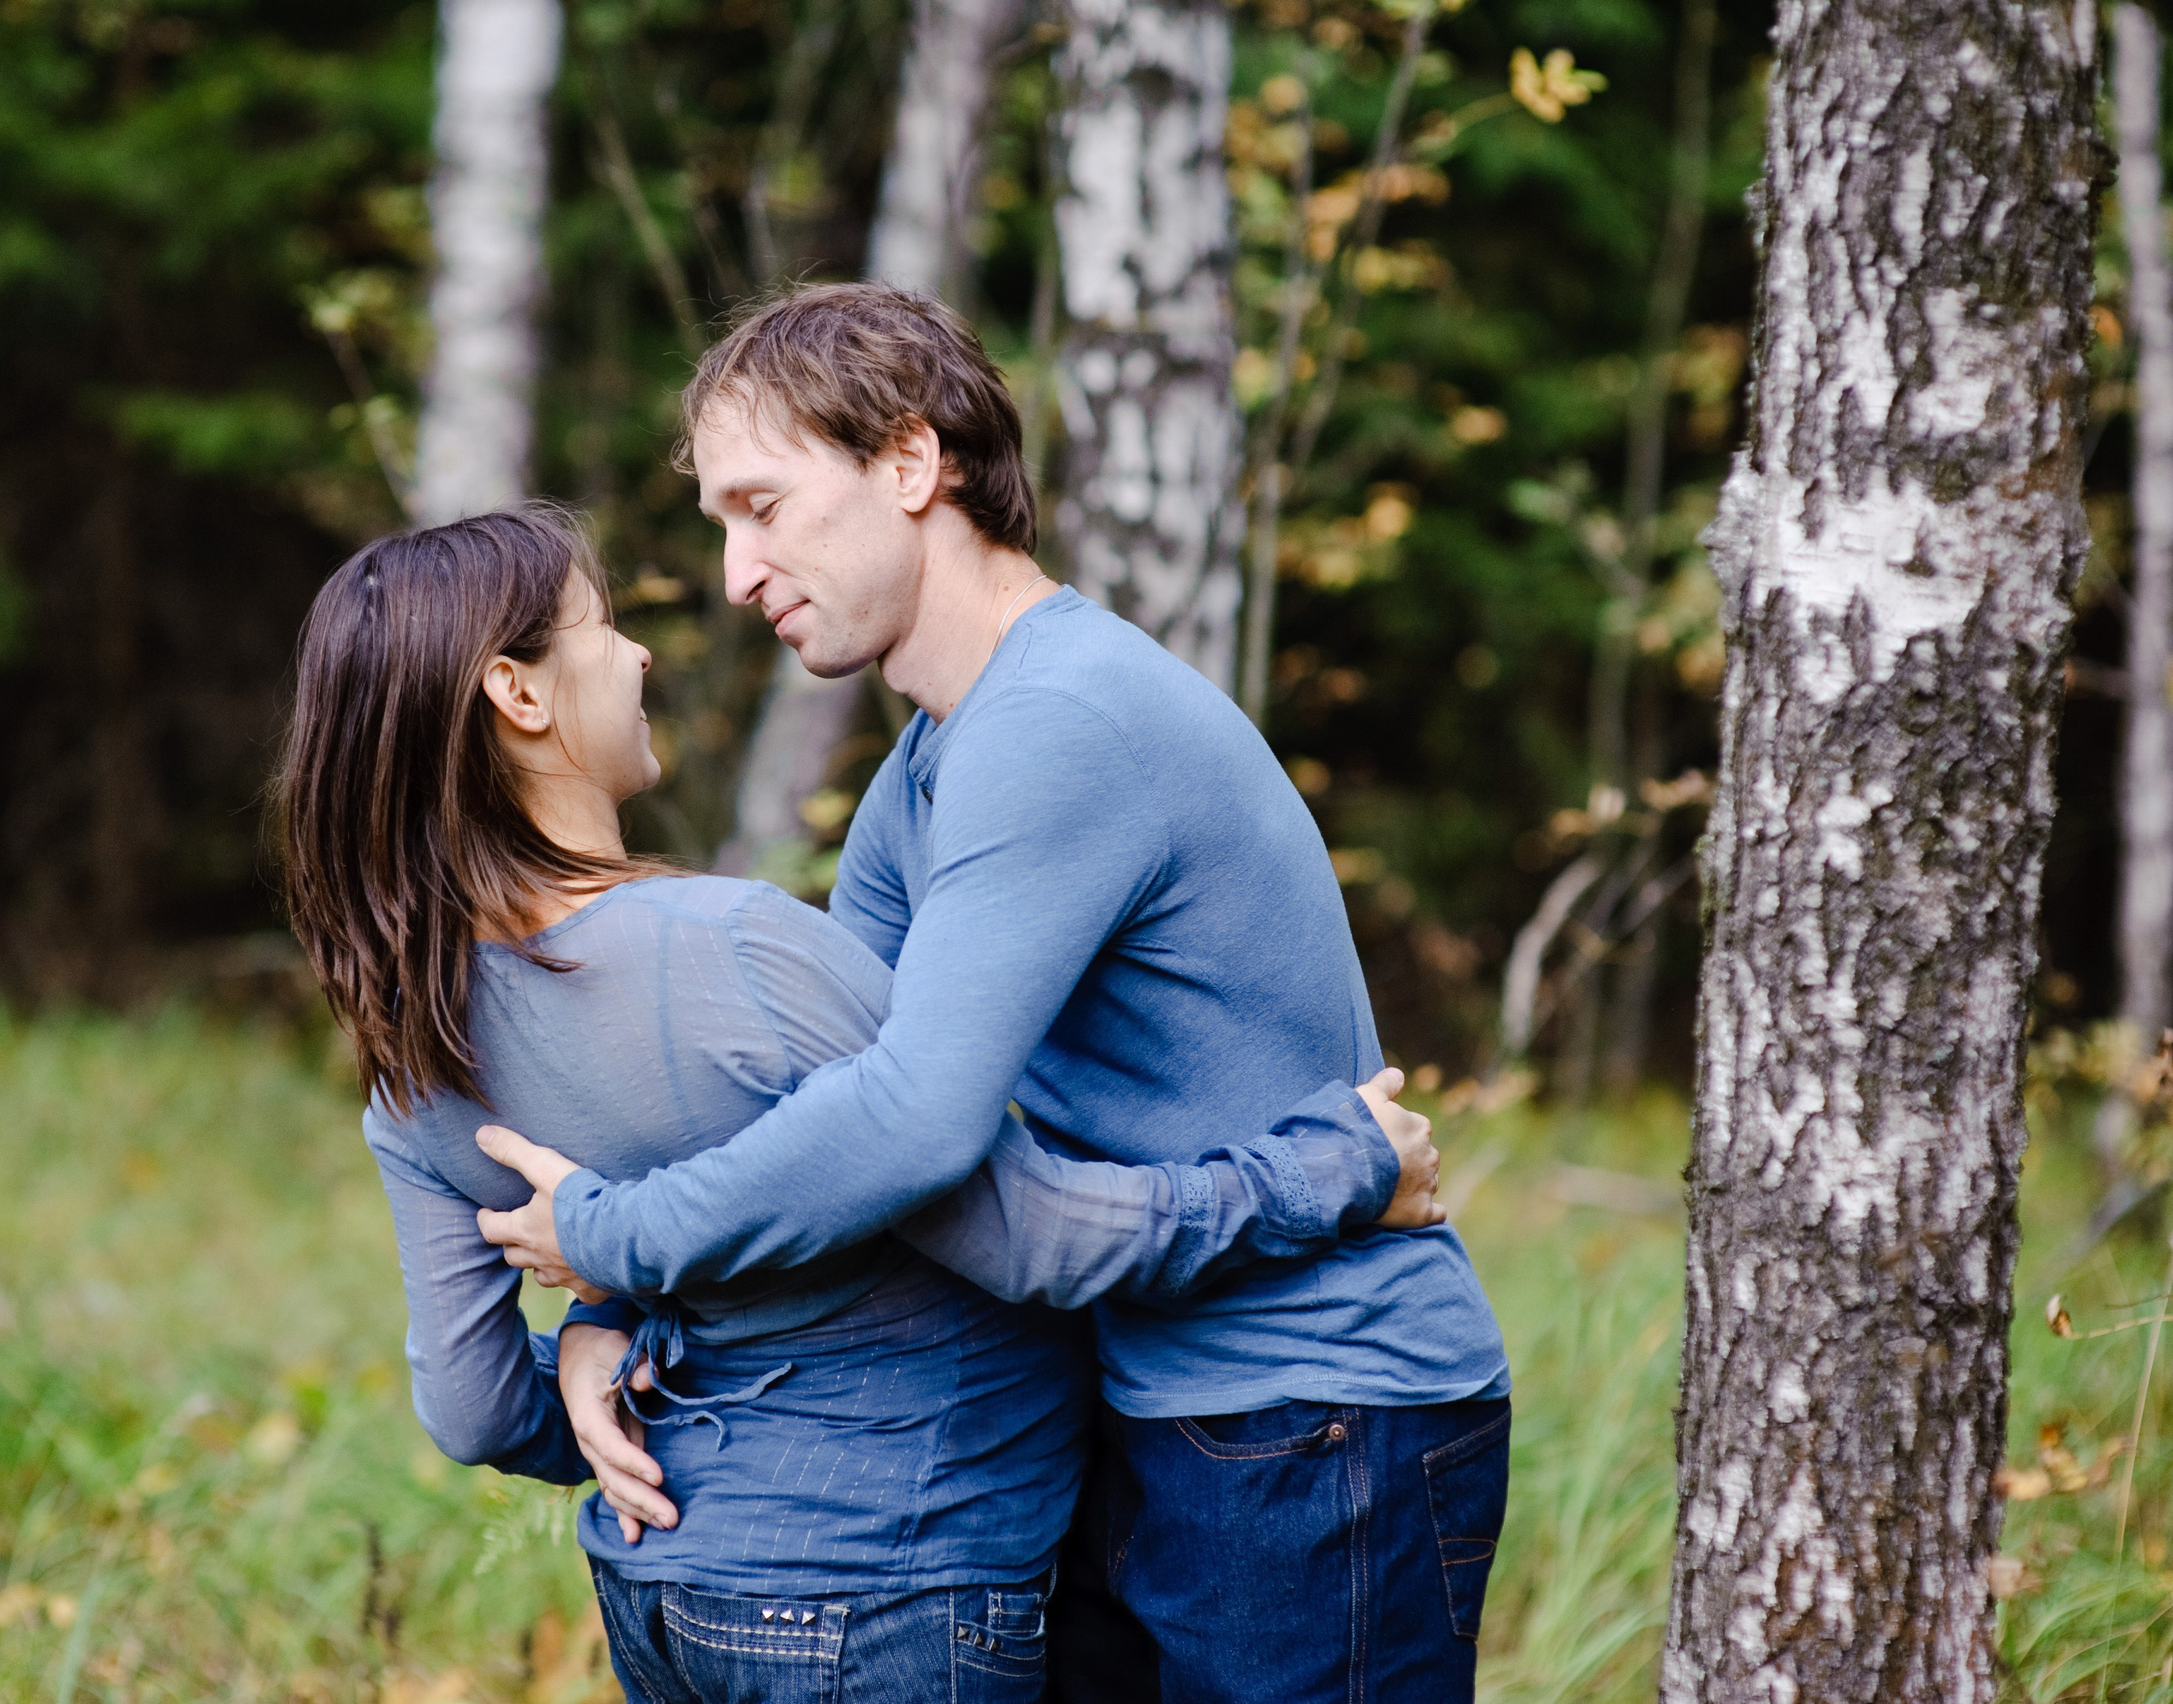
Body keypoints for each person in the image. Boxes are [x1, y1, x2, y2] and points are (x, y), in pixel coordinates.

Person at [475, 284, 1513, 1704]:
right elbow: (832, 1125)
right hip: (1133, 1405)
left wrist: (614, 1235)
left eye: (762, 506)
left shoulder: (1059, 723)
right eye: (724, 521)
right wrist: (612, 1313)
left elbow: (907, 1130)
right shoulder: (934, 764)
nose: (734, 572)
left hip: (1309, 1412)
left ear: (911, 463)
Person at [270, 505, 1444, 1701]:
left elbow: (471, 1409)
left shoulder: (411, 1062)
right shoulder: (735, 948)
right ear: (518, 696)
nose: (639, 655)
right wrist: (1332, 1167)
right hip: (886, 1591)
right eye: (603, 626)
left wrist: (591, 1336)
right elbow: (1026, 1233)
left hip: (661, 1588)